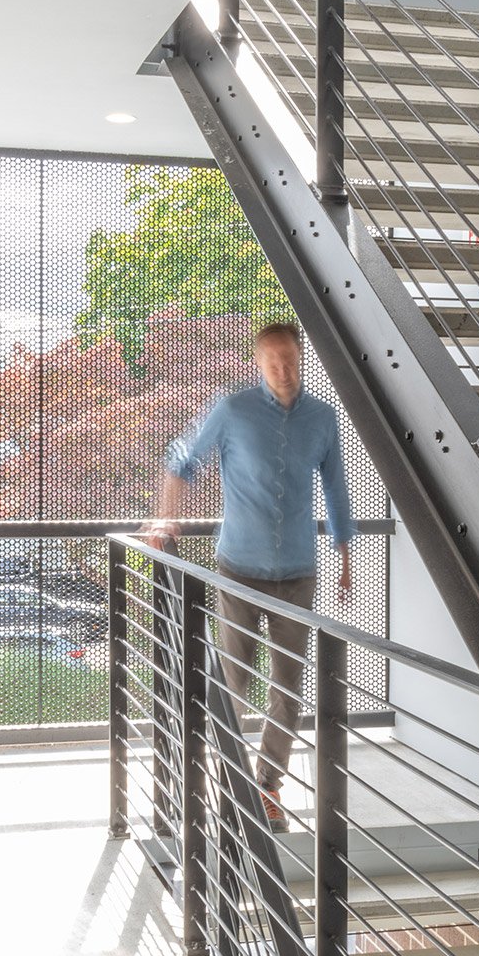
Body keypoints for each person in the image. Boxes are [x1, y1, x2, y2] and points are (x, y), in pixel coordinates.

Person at [145, 320, 354, 827]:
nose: (283, 370)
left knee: (288, 687)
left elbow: (336, 489)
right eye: (273, 361)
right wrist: (165, 516)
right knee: (232, 681)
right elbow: (182, 459)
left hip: (298, 574)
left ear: (300, 359)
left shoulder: (323, 418)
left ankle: (266, 786)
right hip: (238, 571)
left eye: (290, 359)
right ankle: (228, 780)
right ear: (259, 363)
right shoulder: (233, 409)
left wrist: (346, 559)